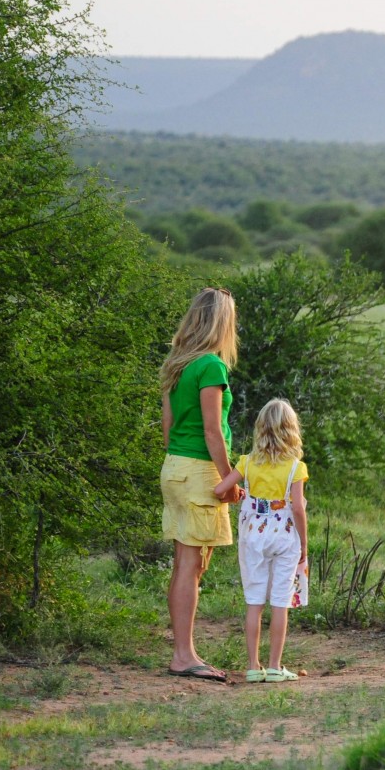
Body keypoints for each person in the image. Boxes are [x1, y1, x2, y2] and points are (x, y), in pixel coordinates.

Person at [160, 287, 241, 683]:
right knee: (192, 566)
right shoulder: (211, 366)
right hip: (198, 469)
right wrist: (228, 478)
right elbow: (213, 431)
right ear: (222, 322)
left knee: (184, 564)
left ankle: (184, 650)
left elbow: (168, 428)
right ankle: (183, 655)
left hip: (174, 465)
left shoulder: (177, 364)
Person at [214, 398, 309, 684]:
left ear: (260, 428)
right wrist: (303, 544)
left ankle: (254, 666)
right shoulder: (295, 467)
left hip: (253, 535)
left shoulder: (247, 462)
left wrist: (241, 495)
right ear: (291, 429)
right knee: (280, 602)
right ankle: (276, 667)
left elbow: (220, 490)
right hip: (284, 536)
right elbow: (298, 507)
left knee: (254, 601)